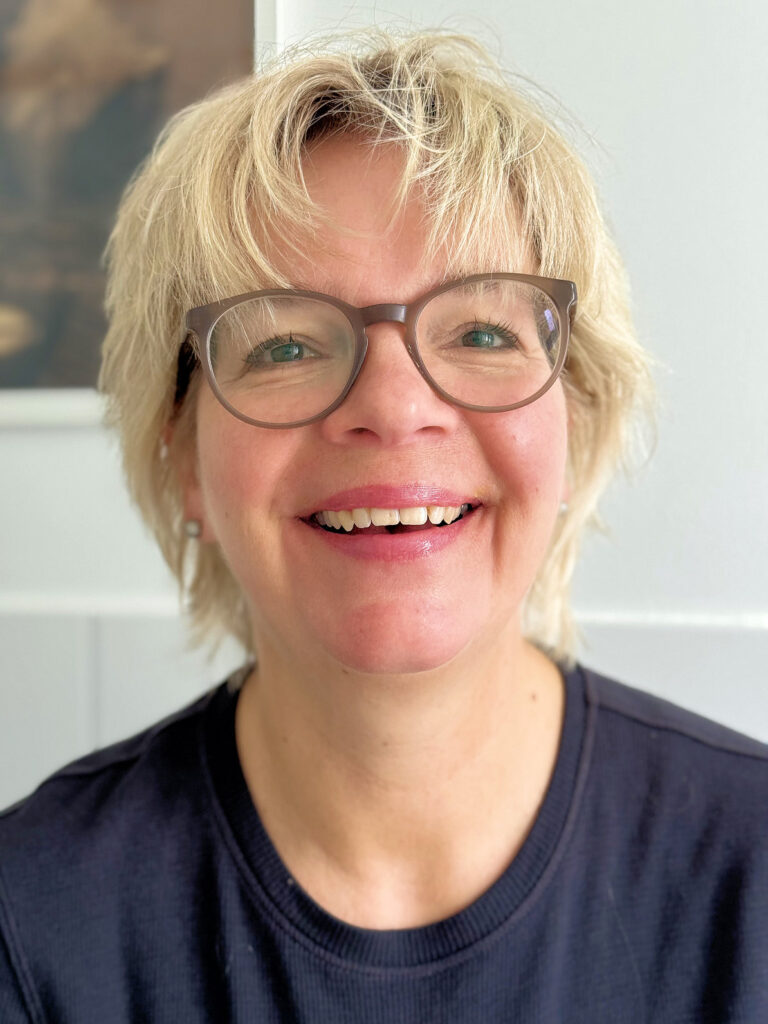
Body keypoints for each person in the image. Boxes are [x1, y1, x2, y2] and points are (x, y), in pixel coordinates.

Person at [1, 30, 766, 1023]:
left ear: (573, 421)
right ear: (181, 454)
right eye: (284, 344)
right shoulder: (31, 925)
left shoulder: (750, 873)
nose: (395, 408)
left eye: (483, 331)